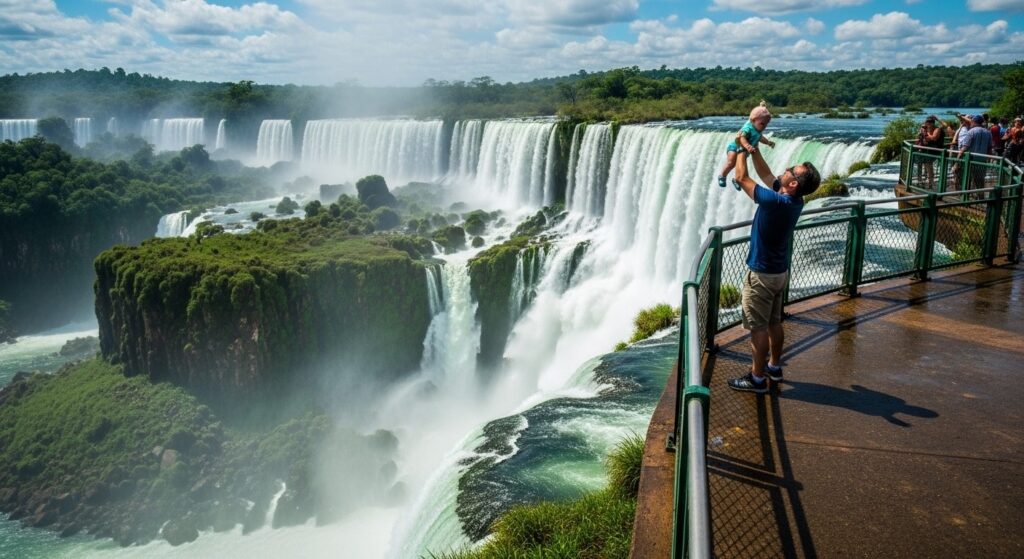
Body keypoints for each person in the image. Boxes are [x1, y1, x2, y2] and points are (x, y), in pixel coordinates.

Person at [726, 149, 821, 393]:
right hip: (779, 274)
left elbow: (741, 178)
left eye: (791, 170)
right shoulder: (794, 200)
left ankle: (757, 379)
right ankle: (774, 367)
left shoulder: (774, 202)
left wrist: (739, 151)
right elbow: (766, 173)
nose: (787, 168)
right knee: (774, 323)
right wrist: (753, 150)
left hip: (762, 275)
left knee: (758, 328)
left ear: (791, 183)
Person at [718, 101, 776, 189]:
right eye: (762, 124)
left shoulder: (758, 131)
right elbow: (742, 137)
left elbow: (761, 139)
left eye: (766, 124)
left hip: (744, 152)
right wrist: (748, 146)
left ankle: (736, 179)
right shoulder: (748, 127)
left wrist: (768, 142)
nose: (764, 126)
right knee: (731, 163)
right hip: (734, 147)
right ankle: (722, 176)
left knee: (741, 167)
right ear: (753, 121)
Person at [958, 114, 993, 190]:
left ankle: (966, 196)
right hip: (982, 161)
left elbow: (965, 146)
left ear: (974, 122)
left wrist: (958, 158)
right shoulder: (988, 132)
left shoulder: (971, 131)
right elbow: (990, 148)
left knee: (967, 179)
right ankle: (981, 197)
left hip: (971, 160)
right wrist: (990, 160)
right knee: (980, 181)